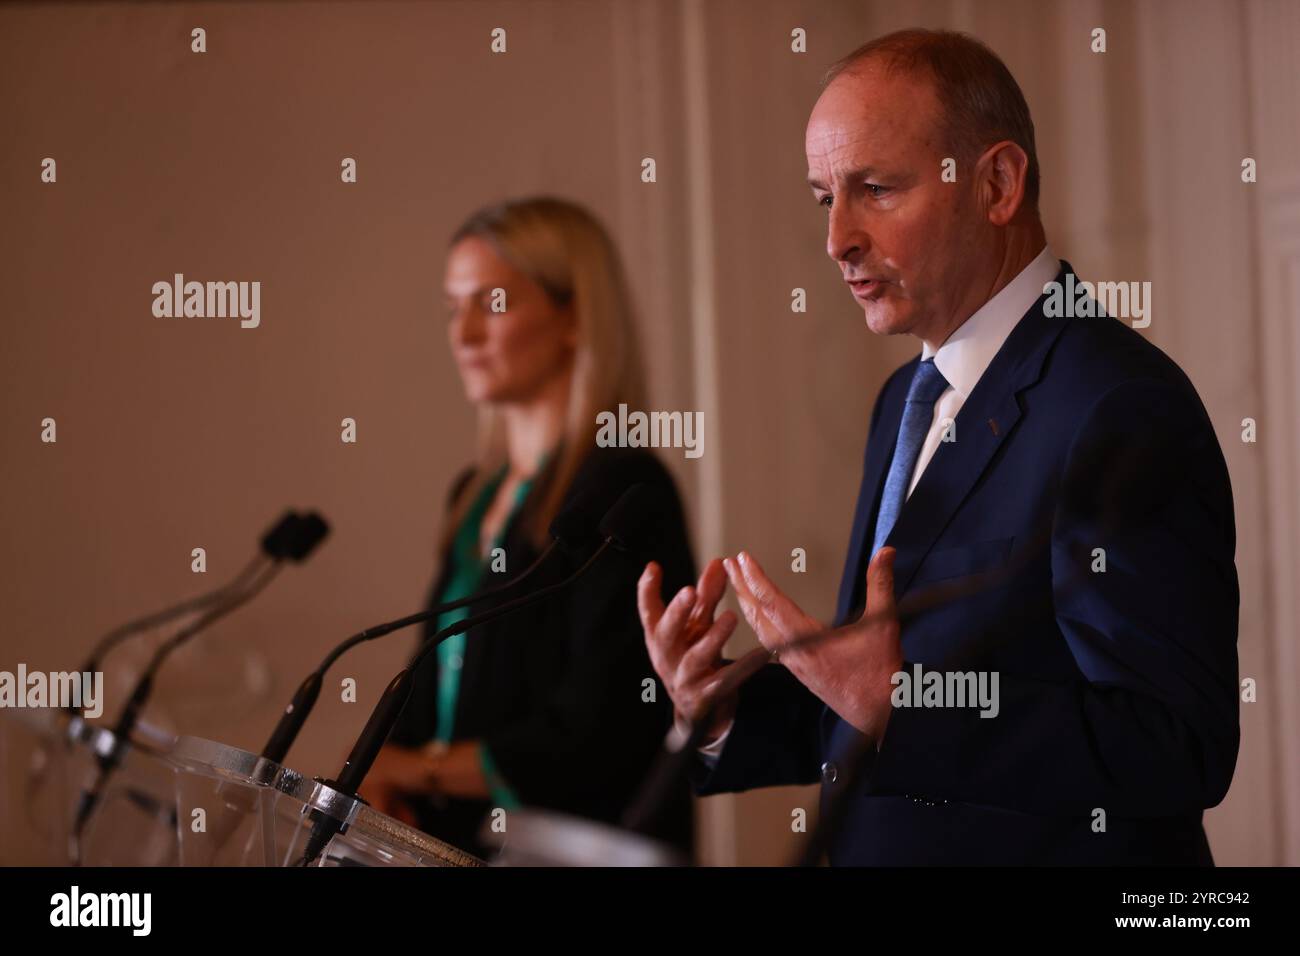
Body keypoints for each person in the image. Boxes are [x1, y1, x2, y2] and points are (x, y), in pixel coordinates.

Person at [639, 29, 1239, 865]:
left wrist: (908, 704)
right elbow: (870, 699)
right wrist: (723, 706)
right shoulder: (904, 401)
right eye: (824, 198)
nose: (837, 239)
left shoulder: (1118, 405)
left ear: (996, 184)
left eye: (875, 189)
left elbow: (1176, 744)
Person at [362, 197, 696, 857]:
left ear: (573, 317)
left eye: (490, 304)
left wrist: (418, 769)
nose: (462, 336)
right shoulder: (475, 496)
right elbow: (429, 689)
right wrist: (376, 765)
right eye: (451, 308)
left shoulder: (624, 488)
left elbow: (604, 725)